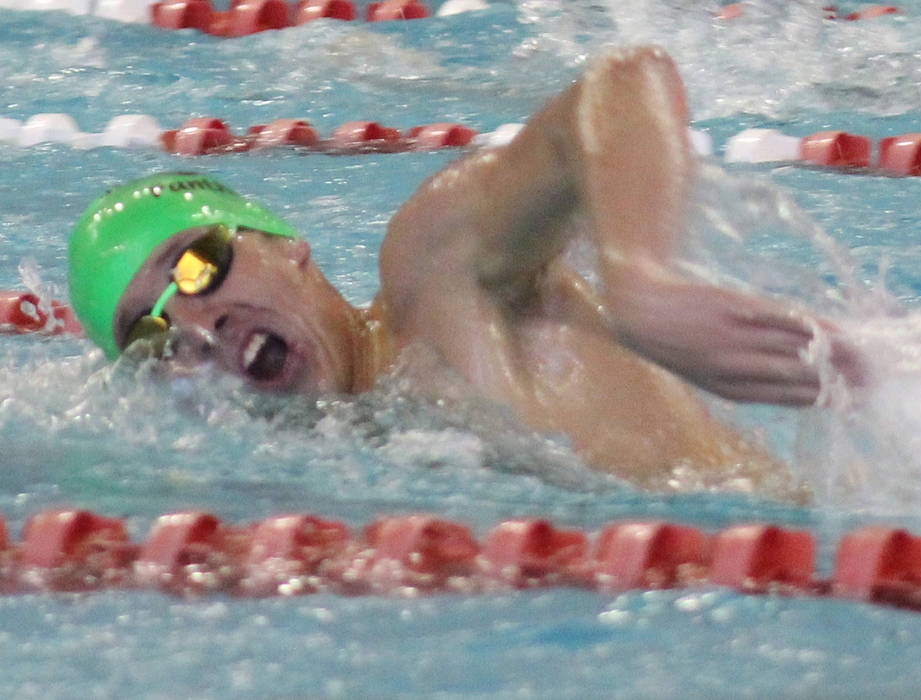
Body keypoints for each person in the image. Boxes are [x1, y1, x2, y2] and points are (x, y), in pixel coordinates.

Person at [68, 47, 856, 492]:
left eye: (201, 265)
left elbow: (623, 84)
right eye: (155, 333)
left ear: (287, 245)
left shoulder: (437, 277)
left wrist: (642, 279)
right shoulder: (337, 464)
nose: (201, 323)